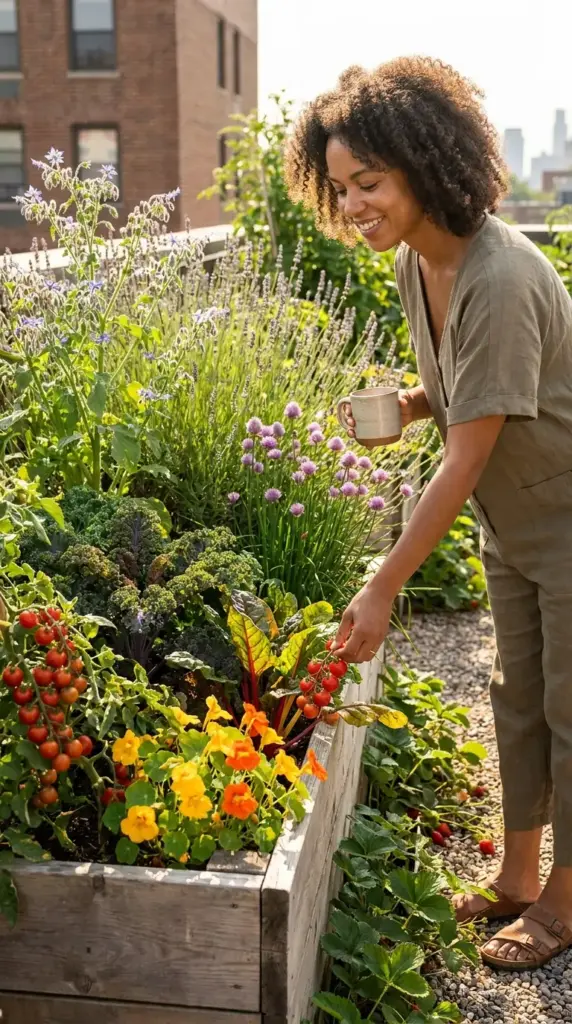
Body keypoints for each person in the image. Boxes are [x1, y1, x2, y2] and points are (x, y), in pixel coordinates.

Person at [284, 56, 572, 971]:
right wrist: (411, 402)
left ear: (424, 163)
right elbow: (465, 394)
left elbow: (468, 454)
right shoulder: (420, 260)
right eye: (340, 187)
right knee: (517, 699)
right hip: (513, 524)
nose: (353, 204)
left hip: (566, 524)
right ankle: (519, 877)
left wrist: (380, 586)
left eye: (369, 182)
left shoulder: (502, 274)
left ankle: (564, 905)